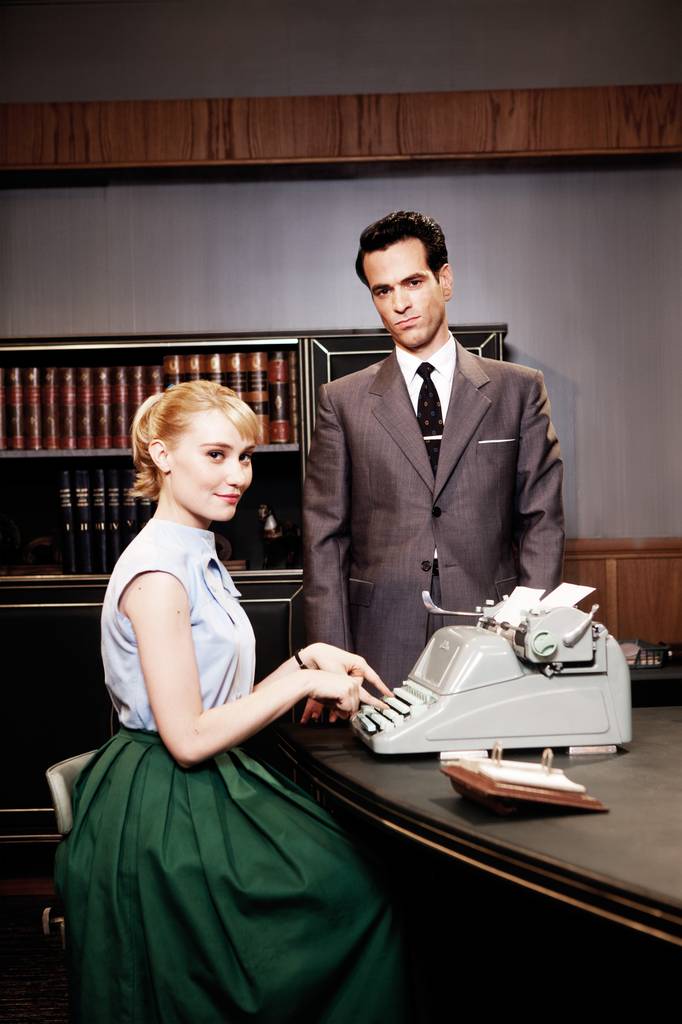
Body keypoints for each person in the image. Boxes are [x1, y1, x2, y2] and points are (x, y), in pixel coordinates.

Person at [55, 380, 409, 1024]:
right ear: (162, 455)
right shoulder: (159, 572)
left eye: (245, 457)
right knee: (355, 894)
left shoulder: (197, 552)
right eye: (216, 455)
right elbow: (189, 737)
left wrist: (305, 661)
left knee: (359, 876)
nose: (238, 476)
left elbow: (218, 700)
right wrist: (300, 685)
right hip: (164, 799)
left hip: (200, 780)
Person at [303, 210, 564, 700]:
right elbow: (325, 539)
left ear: (445, 281)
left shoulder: (518, 391)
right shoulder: (342, 401)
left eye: (413, 282)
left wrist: (532, 633)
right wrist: (331, 660)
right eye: (383, 291)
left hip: (494, 630)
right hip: (379, 637)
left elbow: (541, 524)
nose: (399, 303)